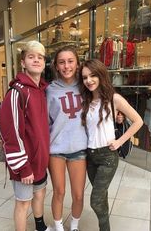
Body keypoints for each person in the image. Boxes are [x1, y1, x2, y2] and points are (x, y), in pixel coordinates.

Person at [78, 59, 143, 231]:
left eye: (92, 75)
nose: (89, 80)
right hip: (90, 156)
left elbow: (138, 121)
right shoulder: (85, 101)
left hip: (107, 156)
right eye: (85, 77)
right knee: (102, 196)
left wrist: (120, 140)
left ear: (100, 75)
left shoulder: (114, 98)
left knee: (95, 199)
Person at [0, 40, 51, 231]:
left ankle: (41, 227)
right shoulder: (17, 92)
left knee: (40, 194)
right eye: (31, 57)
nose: (36, 60)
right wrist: (23, 167)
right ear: (23, 62)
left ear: (44, 62)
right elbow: (10, 133)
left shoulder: (41, 90)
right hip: (25, 163)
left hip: (40, 159)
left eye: (40, 57)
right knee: (23, 203)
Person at [46, 45, 88, 231]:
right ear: (56, 66)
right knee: (59, 191)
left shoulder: (86, 86)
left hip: (79, 149)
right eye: (61, 62)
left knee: (78, 195)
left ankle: (74, 226)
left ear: (77, 64)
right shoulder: (49, 90)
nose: (66, 66)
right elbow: (44, 122)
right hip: (56, 150)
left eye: (70, 61)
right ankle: (58, 227)